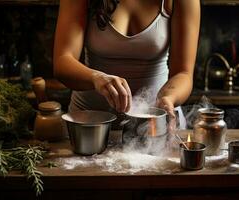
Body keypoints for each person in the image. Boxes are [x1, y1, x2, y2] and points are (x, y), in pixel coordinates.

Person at [53, 0, 200, 129]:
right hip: (89, 125)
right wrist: (96, 77)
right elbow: (63, 61)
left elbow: (184, 73)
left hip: (154, 126)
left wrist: (168, 98)